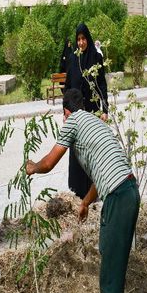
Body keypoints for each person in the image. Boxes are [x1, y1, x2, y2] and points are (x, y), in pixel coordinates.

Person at [26, 89, 139, 293]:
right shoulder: (95, 122)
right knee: (112, 255)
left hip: (118, 198)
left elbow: (48, 163)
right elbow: (102, 174)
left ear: (65, 112)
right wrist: (86, 202)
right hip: (130, 191)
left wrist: (32, 167)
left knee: (110, 270)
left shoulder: (72, 121)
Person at [64, 23, 108, 198]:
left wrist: (104, 109)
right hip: (75, 114)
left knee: (92, 150)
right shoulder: (74, 59)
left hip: (92, 112)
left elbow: (102, 84)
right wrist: (65, 111)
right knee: (77, 150)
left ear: (88, 39)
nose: (81, 43)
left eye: (83, 39)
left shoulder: (96, 58)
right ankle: (77, 189)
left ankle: (93, 190)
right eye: (78, 39)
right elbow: (67, 86)